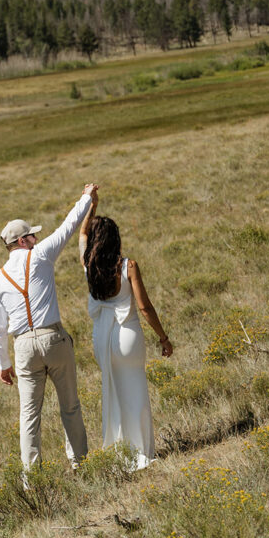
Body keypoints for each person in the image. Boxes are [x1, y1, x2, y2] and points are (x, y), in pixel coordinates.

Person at [0, 184, 98, 471]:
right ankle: (80, 465)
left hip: (23, 346)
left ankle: (33, 478)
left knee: (29, 416)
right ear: (23, 240)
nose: (37, 239)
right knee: (70, 407)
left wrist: (3, 363)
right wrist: (86, 197)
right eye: (33, 235)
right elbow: (69, 225)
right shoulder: (40, 256)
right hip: (53, 338)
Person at [79, 192, 173, 467]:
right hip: (128, 335)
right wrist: (163, 337)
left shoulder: (89, 265)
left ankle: (120, 453)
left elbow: (83, 233)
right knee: (136, 391)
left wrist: (91, 205)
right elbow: (145, 308)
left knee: (112, 390)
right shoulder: (127, 266)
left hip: (102, 337)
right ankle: (142, 451)